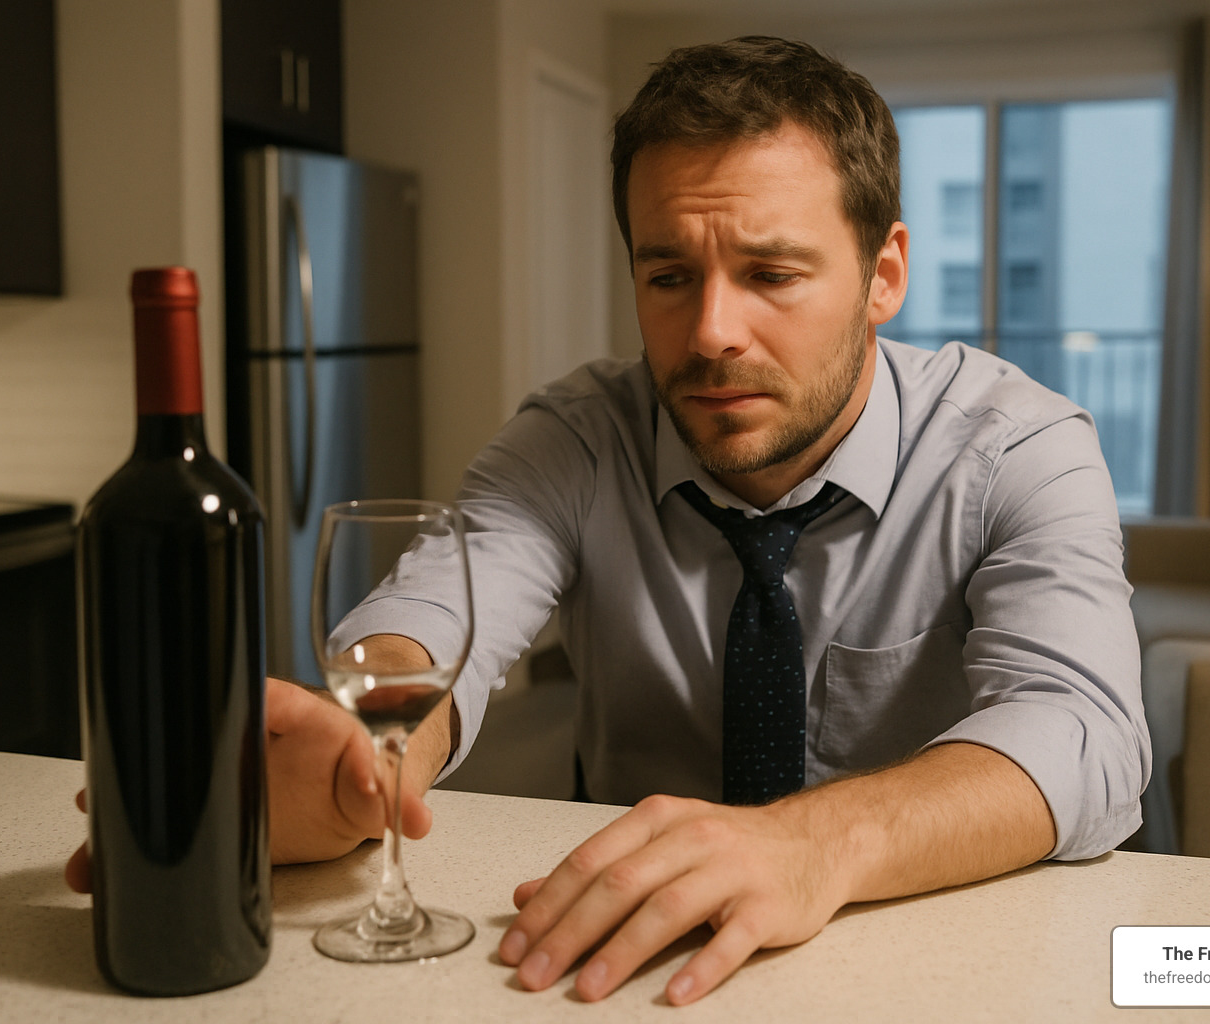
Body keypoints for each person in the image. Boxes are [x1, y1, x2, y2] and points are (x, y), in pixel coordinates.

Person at [69, 35, 1149, 1005]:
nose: (712, 330)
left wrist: (816, 843)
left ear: (884, 275)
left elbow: (1086, 730)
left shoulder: (1019, 443)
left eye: (772, 272)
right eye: (669, 274)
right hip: (622, 961)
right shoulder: (578, 439)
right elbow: (437, 617)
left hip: (933, 959)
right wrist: (362, 758)